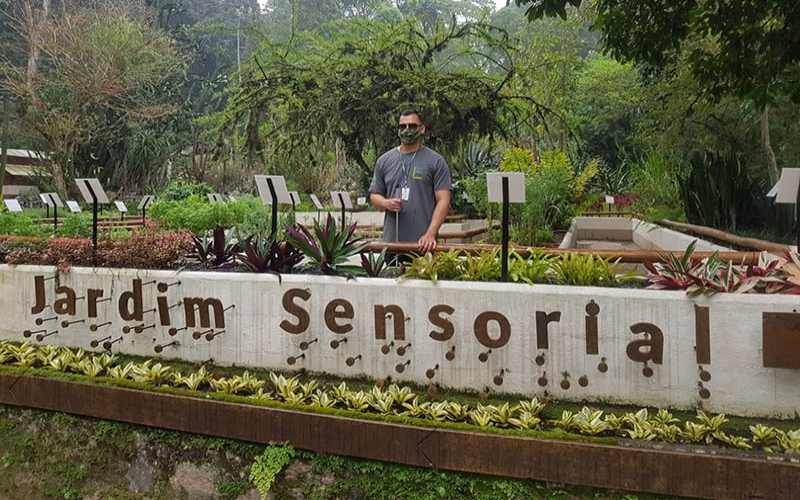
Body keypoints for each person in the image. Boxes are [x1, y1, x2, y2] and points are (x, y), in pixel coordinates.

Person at [369, 110, 452, 253]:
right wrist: (386, 203)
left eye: (412, 126)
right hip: (392, 245)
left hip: (423, 245)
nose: (407, 130)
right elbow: (374, 195)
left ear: (422, 128)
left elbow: (444, 200)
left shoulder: (436, 161)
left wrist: (430, 234)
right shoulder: (384, 161)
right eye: (403, 126)